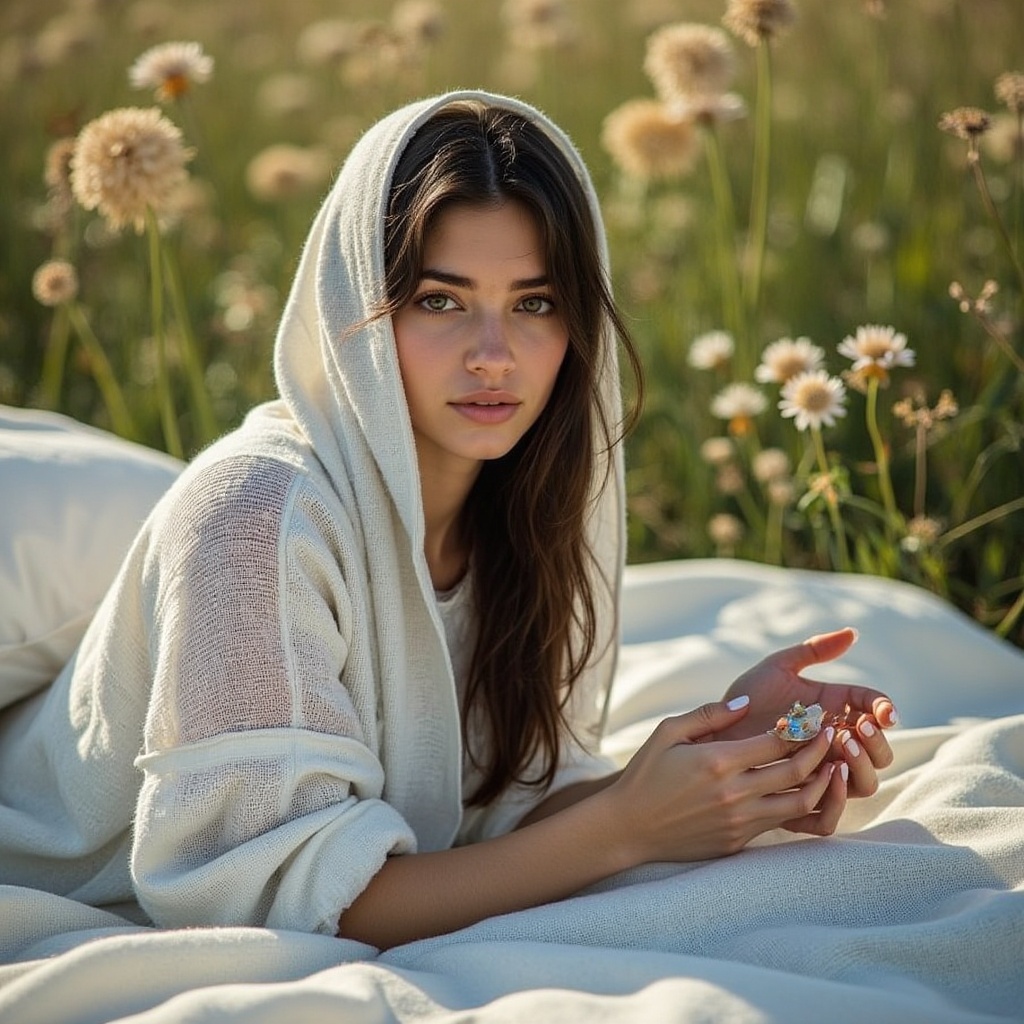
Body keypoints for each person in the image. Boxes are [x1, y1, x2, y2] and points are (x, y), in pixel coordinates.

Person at [0, 91, 896, 952]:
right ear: (358, 307)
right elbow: (282, 899)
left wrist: (729, 751)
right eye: (440, 300)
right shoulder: (254, 519)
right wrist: (625, 830)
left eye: (534, 304)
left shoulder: (522, 509)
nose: (494, 356)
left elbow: (491, 818)